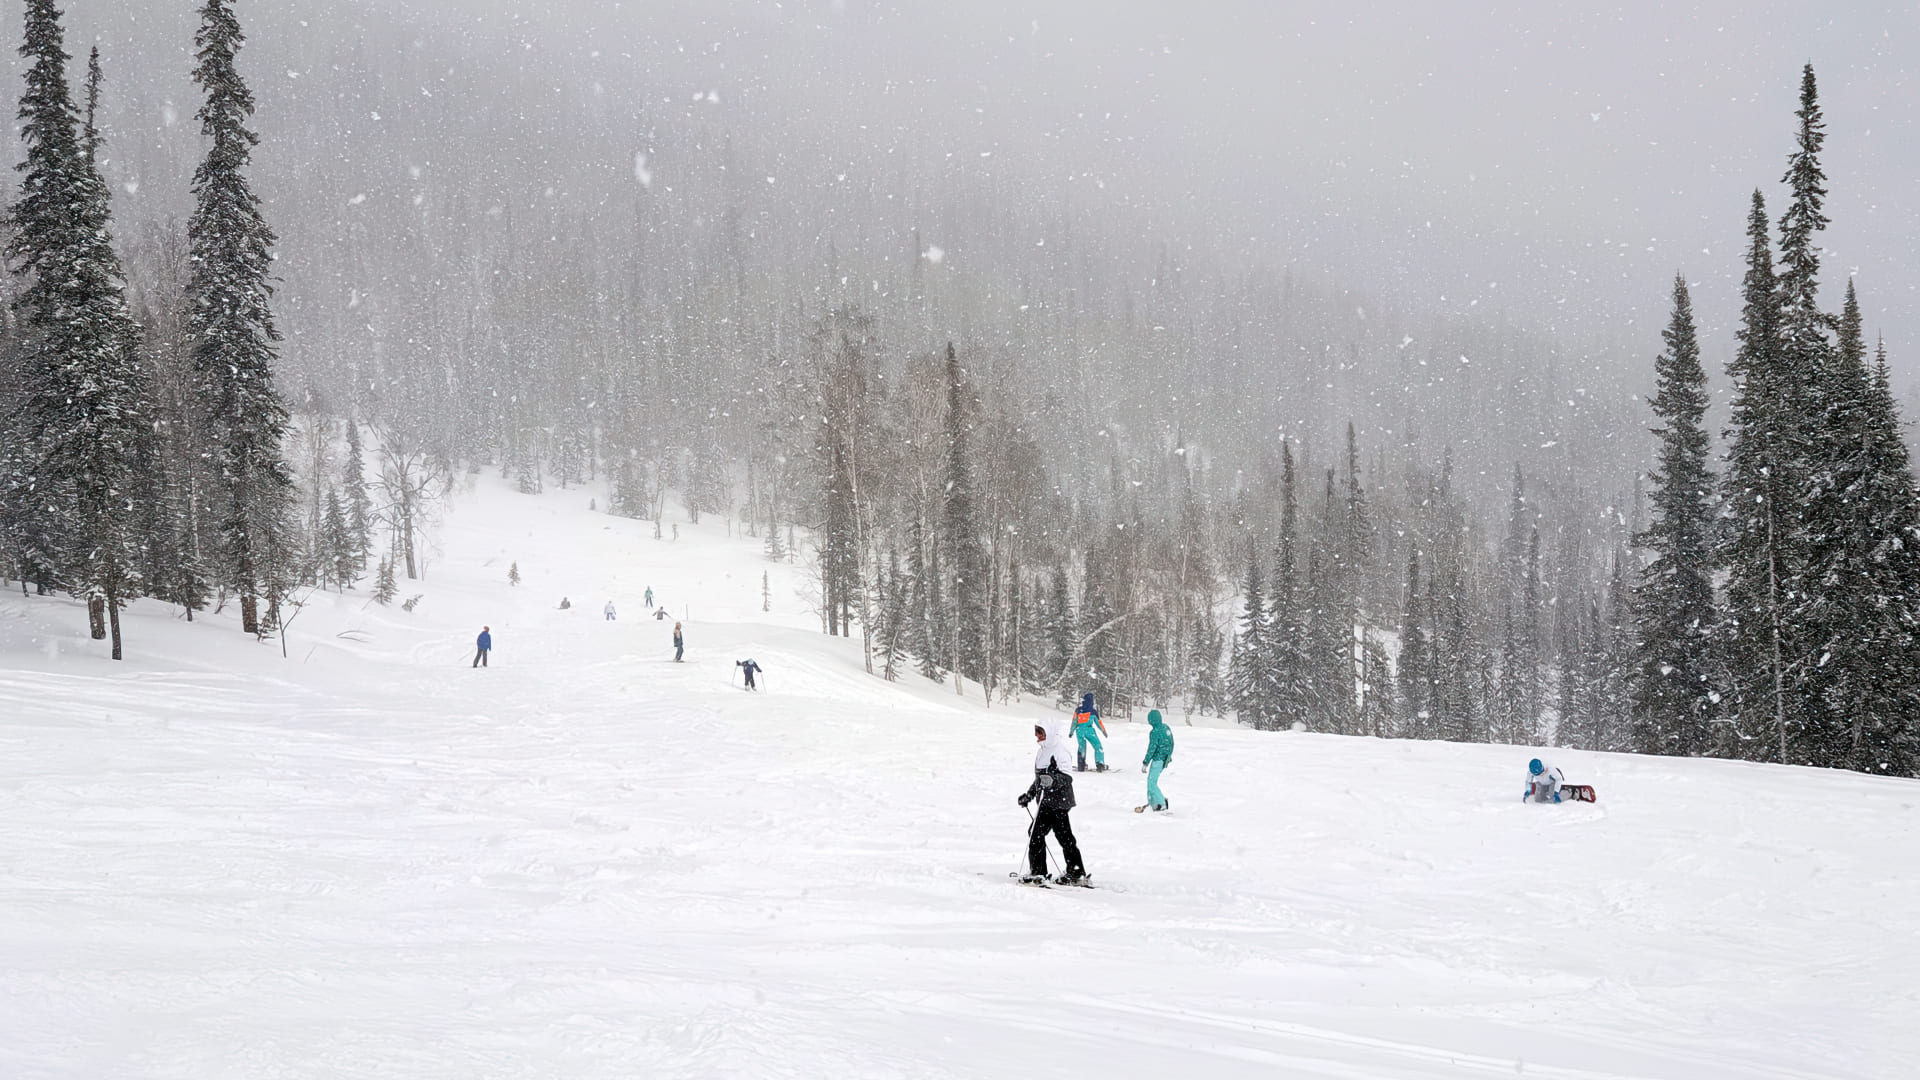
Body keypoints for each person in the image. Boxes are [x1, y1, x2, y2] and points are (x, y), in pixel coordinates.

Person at [1017, 718, 1087, 884]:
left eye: (1040, 732)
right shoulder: (1043, 751)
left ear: (1048, 733)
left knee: (1050, 835)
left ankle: (1067, 872)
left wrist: (1053, 780)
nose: (1037, 735)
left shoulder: (1059, 751)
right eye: (1036, 731)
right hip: (1047, 802)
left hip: (1058, 802)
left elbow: (1067, 777)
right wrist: (1029, 795)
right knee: (1045, 834)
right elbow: (1041, 779)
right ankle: (1047, 871)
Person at [1137, 708, 1174, 812]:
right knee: (1151, 781)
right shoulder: (1166, 727)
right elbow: (1172, 743)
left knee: (1151, 782)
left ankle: (1161, 802)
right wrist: (1168, 756)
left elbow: (1152, 748)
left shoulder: (1154, 732)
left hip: (1158, 760)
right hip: (1164, 760)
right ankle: (1153, 803)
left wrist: (1145, 762)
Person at [1072, 692, 1108, 772]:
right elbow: (1098, 723)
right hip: (1089, 731)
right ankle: (1100, 764)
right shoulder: (1093, 711)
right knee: (1097, 746)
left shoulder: (1078, 710)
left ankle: (1081, 765)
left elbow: (1074, 722)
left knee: (1082, 747)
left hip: (1079, 731)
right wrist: (1103, 731)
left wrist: (1071, 732)